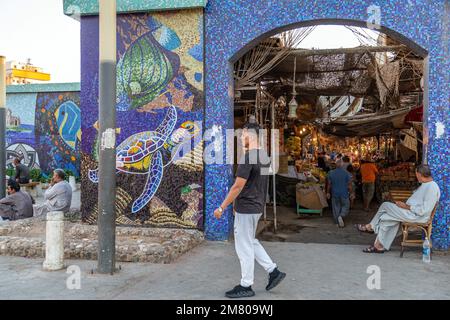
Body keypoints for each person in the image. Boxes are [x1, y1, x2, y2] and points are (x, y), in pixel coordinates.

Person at [214, 122, 286, 299]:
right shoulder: (264, 155)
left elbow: (237, 186)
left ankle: (246, 285)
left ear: (251, 135)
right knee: (250, 241)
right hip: (256, 206)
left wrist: (222, 207)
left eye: (243, 134)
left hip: (247, 207)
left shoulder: (248, 158)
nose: (240, 138)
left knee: (244, 246)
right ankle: (273, 270)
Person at [355, 164, 440, 253]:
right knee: (386, 218)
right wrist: (404, 205)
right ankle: (379, 246)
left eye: (416, 174)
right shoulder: (426, 185)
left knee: (385, 205)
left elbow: (424, 210)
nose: (416, 176)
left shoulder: (432, 188)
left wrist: (406, 206)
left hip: (417, 216)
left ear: (419, 174)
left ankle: (370, 227)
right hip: (410, 212)